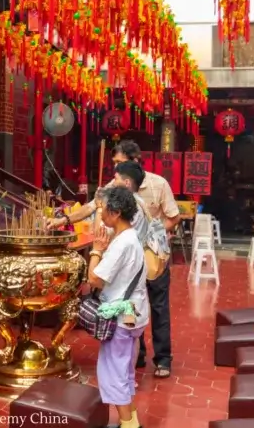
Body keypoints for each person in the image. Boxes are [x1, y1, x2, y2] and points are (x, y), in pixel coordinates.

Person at [47, 140, 179, 378]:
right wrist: (63, 220)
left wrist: (152, 237)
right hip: (128, 261)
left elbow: (173, 217)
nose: (114, 170)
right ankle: (135, 359)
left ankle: (163, 359)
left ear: (134, 162)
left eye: (119, 163)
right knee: (130, 305)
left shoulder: (158, 184)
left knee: (158, 308)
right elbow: (91, 206)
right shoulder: (116, 185)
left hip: (151, 259)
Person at [85, 186, 148, 428]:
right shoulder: (131, 237)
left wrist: (96, 250)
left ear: (116, 212)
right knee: (125, 370)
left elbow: (95, 279)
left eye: (103, 211)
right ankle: (131, 420)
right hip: (135, 313)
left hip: (121, 318)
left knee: (114, 374)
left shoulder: (122, 243)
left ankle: (128, 425)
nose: (100, 216)